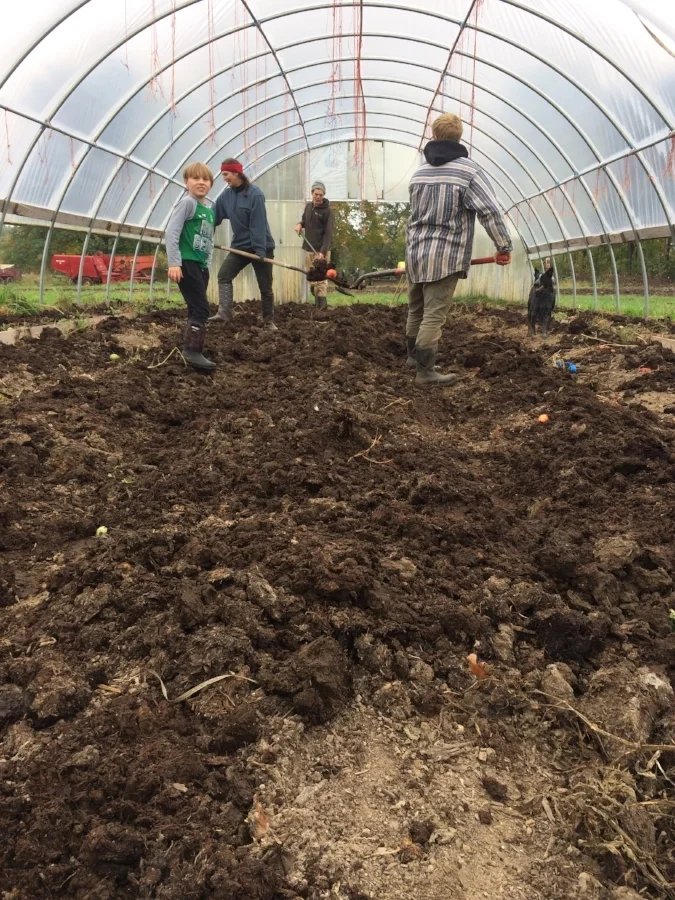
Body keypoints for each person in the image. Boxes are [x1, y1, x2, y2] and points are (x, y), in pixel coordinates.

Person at [405, 113, 513, 384]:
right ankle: (425, 372)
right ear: (459, 137)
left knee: (416, 309)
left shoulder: (419, 174)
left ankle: (412, 358)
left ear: (434, 136)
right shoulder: (469, 172)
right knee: (434, 314)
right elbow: (490, 211)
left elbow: (413, 216)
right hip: (445, 256)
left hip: (415, 253)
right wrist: (503, 246)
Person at [209, 158, 277, 330]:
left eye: (226, 174)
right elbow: (212, 216)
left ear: (236, 173)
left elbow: (258, 224)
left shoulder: (255, 194)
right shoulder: (226, 196)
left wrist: (260, 250)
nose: (224, 178)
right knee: (224, 275)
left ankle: (268, 321)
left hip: (262, 247)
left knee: (265, 286)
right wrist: (204, 233)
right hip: (240, 246)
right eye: (223, 174)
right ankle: (224, 313)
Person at [166, 162, 217, 371]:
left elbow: (209, 241)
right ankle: (192, 351)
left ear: (211, 183)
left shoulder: (209, 211)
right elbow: (172, 231)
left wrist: (207, 265)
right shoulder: (187, 203)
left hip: (200, 266)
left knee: (195, 307)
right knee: (202, 308)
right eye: (195, 178)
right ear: (186, 182)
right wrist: (174, 263)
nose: (201, 182)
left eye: (205, 179)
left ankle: (190, 347)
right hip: (186, 263)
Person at [295, 180, 334, 309]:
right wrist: (300, 224)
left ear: (323, 195)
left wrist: (323, 252)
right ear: (312, 193)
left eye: (320, 195)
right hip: (309, 249)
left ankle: (321, 308)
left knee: (321, 280)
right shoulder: (308, 207)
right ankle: (318, 302)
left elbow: (328, 233)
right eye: (316, 194)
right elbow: (304, 220)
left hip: (321, 251)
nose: (318, 197)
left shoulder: (327, 211)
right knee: (312, 278)